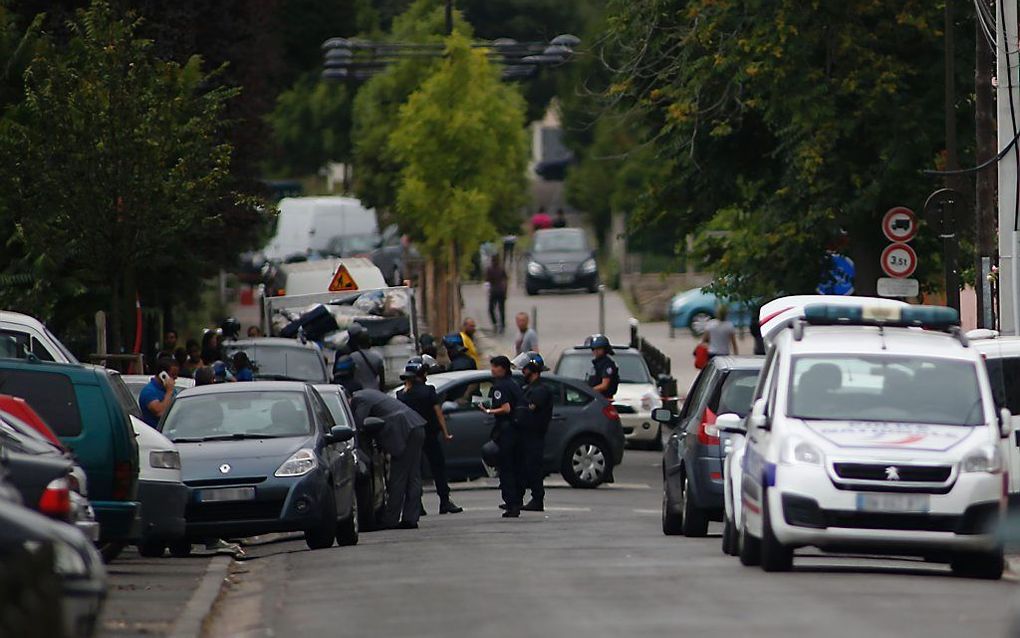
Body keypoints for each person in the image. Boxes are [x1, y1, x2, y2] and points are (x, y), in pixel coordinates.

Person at [351, 389, 426, 529]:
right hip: (415, 425)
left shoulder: (359, 399)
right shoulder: (367, 393)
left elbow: (358, 424)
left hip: (404, 430)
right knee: (413, 476)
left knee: (399, 476)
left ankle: (391, 519)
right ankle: (410, 518)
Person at [396, 357, 463, 515]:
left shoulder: (401, 394)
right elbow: (438, 413)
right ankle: (445, 501)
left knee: (414, 471)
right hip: (429, 434)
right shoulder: (428, 391)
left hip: (410, 435)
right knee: (438, 468)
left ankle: (417, 505)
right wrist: (445, 432)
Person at [481, 355, 524, 518]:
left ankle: (512, 504)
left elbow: (506, 408)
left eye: (495, 367)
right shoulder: (514, 384)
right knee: (516, 466)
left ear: (503, 369)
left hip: (506, 431)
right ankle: (516, 500)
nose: (492, 370)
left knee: (506, 468)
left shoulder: (500, 387)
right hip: (517, 430)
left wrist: (488, 411)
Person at [512, 352, 553, 512]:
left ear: (533, 369)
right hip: (525, 434)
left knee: (533, 468)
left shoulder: (540, 390)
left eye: (525, 369)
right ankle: (517, 499)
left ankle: (537, 499)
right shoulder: (528, 388)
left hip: (534, 434)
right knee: (523, 468)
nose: (523, 372)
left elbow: (530, 408)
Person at [138, 357, 178, 428]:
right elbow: (160, 412)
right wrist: (169, 392)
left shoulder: (172, 390)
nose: (175, 378)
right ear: (163, 375)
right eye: (172, 375)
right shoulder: (149, 392)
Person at [348, 323, 385, 391]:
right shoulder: (377, 357)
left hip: (359, 390)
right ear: (370, 341)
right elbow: (382, 378)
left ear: (358, 344)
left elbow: (350, 375)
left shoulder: (352, 357)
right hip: (374, 390)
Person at [587, 334, 620, 400]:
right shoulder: (597, 363)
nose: (595, 351)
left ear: (605, 349)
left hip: (604, 399)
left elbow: (604, 385)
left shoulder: (607, 364)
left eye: (599, 348)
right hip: (596, 397)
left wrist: (588, 391)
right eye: (593, 349)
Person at [485, 255, 508, 333]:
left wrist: (488, 290)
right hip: (501, 291)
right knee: (501, 309)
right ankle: (502, 325)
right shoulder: (501, 269)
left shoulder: (490, 269)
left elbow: (487, 281)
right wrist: (505, 291)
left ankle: (495, 324)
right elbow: (505, 280)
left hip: (494, 291)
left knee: (491, 309)